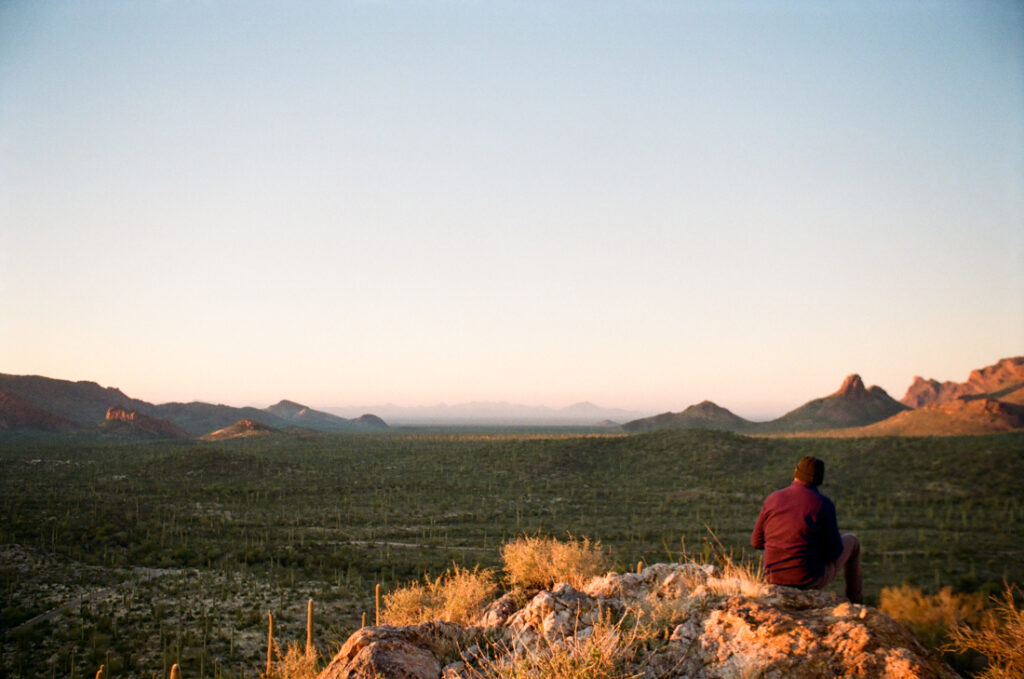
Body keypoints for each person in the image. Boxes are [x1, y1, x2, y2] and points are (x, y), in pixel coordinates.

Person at [751, 455, 863, 603]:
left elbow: (756, 542)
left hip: (773, 578)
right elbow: (835, 553)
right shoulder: (823, 504)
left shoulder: (773, 498)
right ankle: (856, 602)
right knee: (852, 541)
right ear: (819, 479)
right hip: (808, 580)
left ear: (796, 473)